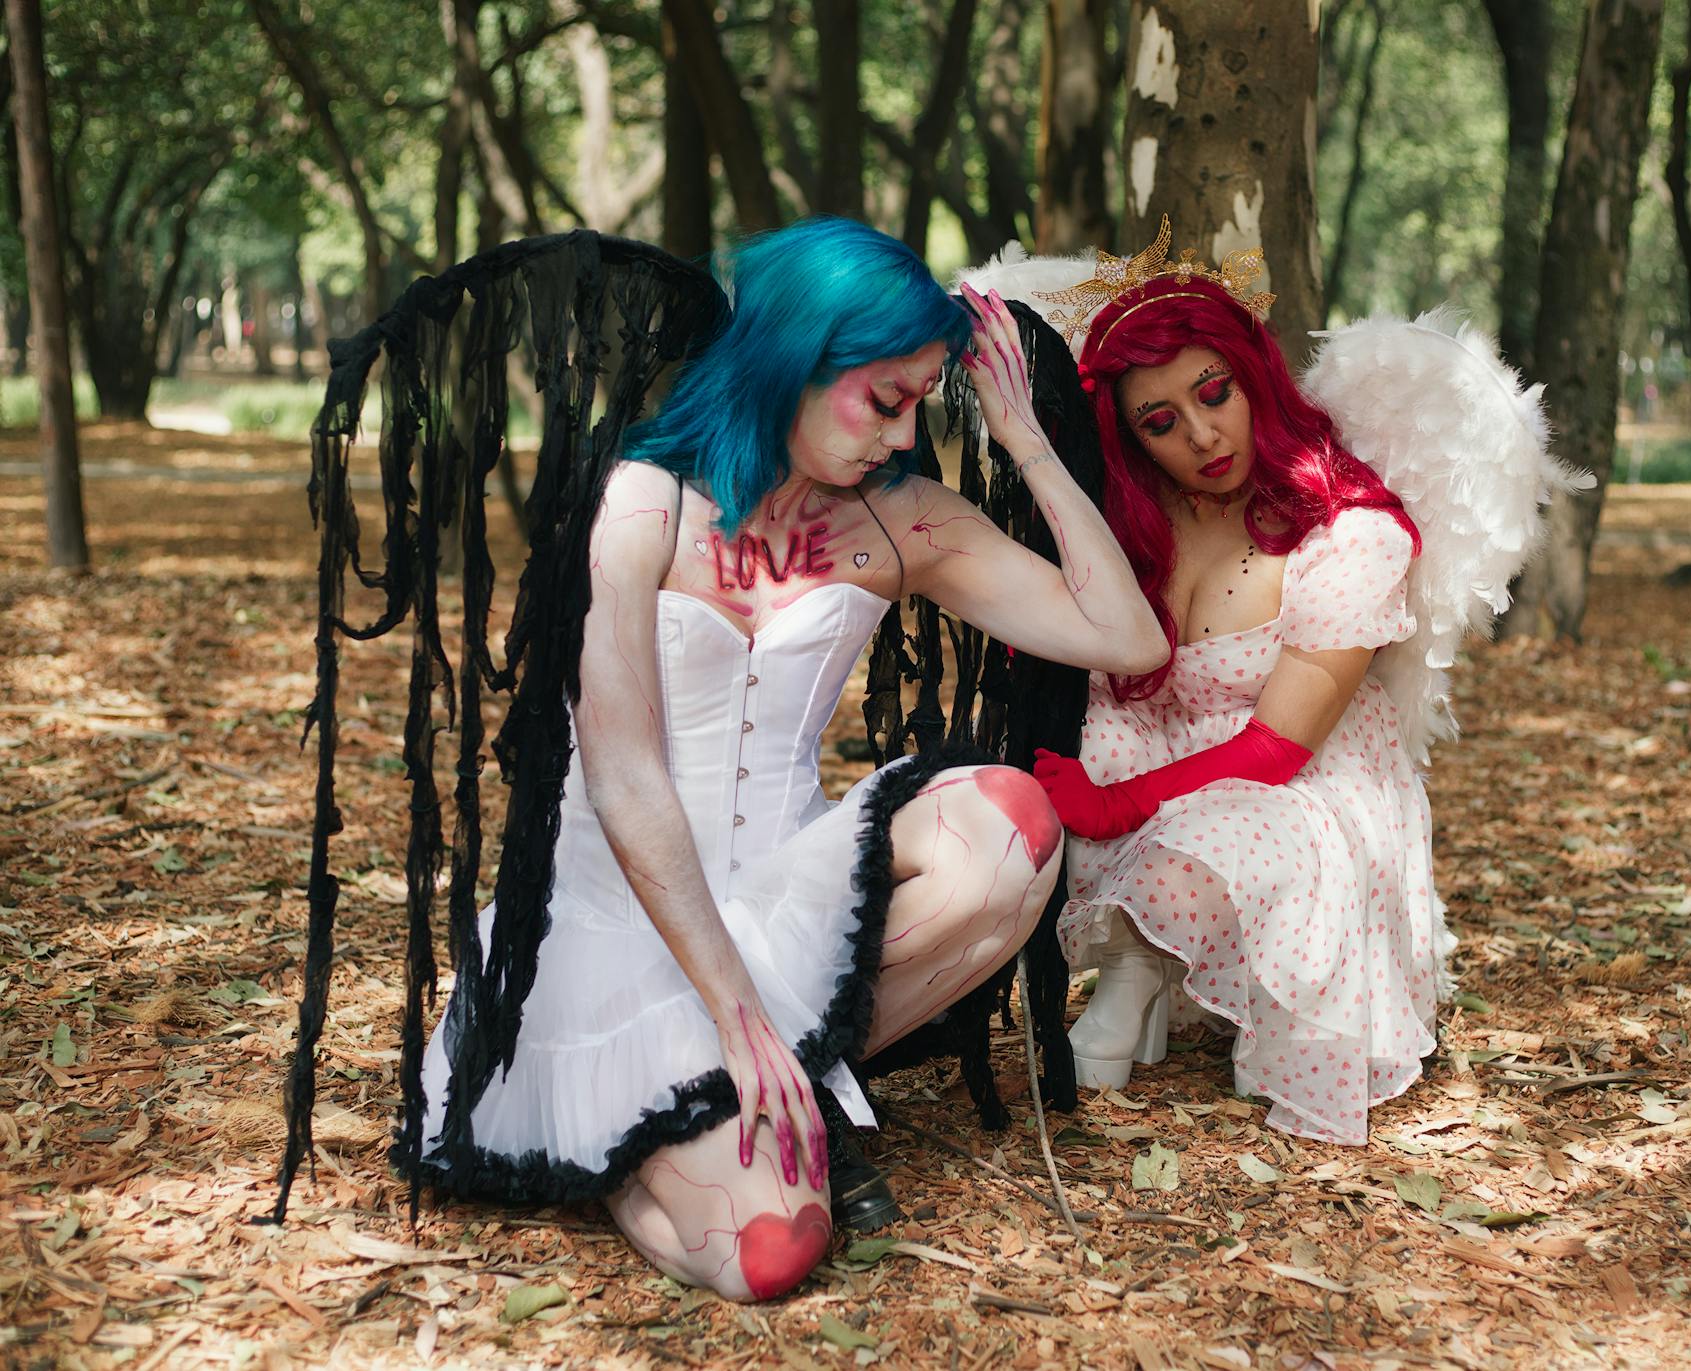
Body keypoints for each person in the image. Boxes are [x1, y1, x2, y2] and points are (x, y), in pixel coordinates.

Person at [413, 218, 1166, 1300]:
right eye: (885, 400)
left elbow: (1126, 638)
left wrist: (1029, 443)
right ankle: (618, 1156)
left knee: (1009, 831)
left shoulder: (899, 524)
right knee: (774, 1256)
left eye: (921, 404)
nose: (905, 440)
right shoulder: (640, 506)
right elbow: (625, 779)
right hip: (619, 921)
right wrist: (734, 1013)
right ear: (792, 358)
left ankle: (776, 1085)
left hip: (787, 894)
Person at [999, 224, 1450, 1145]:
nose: (1203, 435)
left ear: (1255, 376)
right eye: (1161, 421)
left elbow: (1278, 747)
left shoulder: (1350, 530)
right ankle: (1137, 971)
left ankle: (1131, 987)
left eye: (1216, 394)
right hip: (1166, 739)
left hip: (1307, 775)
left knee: (1188, 847)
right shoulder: (1140, 513)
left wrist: (1121, 803)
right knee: (1061, 756)